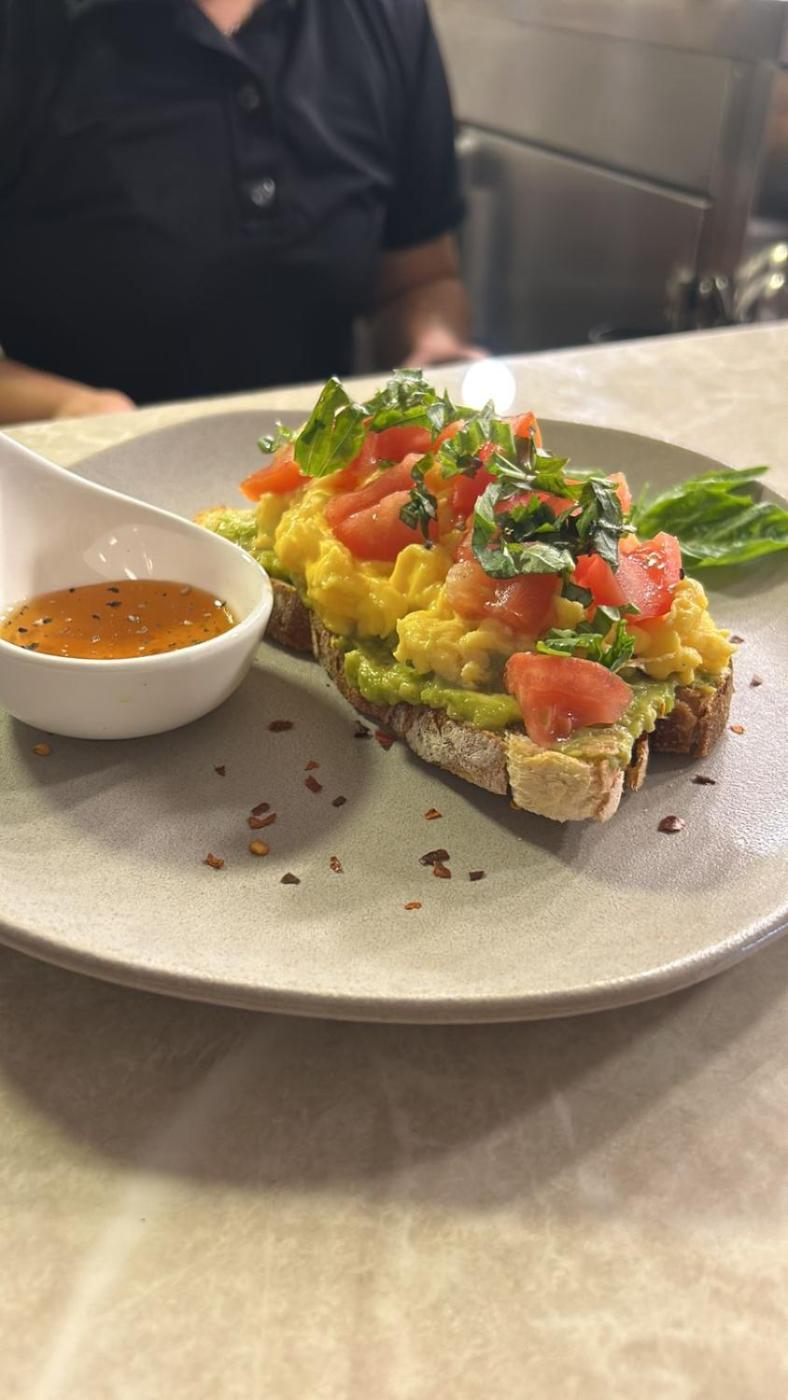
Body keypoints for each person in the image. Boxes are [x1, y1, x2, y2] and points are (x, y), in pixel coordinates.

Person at [0, 0, 477, 423]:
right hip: (66, 477)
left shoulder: (386, 14)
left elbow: (419, 278)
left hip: (314, 472)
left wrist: (432, 351)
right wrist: (71, 411)